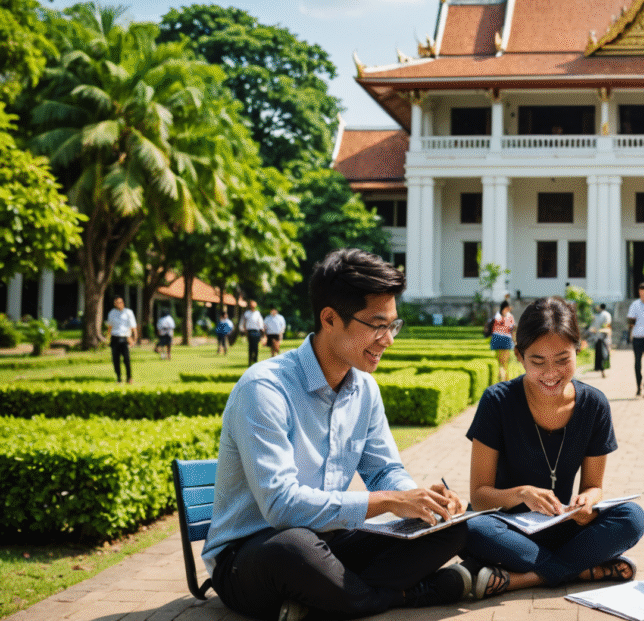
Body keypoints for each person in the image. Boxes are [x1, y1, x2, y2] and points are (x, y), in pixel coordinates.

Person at [201, 248, 472, 621]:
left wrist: (418, 502)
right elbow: (282, 507)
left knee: (453, 528)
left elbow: (384, 471)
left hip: (327, 542)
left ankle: (324, 601)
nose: (388, 340)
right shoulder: (265, 388)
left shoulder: (364, 390)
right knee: (294, 548)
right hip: (254, 554)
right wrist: (389, 501)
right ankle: (413, 593)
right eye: (377, 325)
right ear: (329, 318)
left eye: (393, 325)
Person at [462, 296, 644, 600]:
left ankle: (524, 578)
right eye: (537, 362)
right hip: (508, 529)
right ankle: (581, 570)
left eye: (563, 360)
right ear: (520, 356)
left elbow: (593, 487)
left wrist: (586, 502)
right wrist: (521, 494)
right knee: (471, 528)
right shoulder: (497, 401)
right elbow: (480, 496)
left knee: (632, 518)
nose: (551, 373)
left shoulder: (594, 404)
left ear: (579, 349)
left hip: (564, 524)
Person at [105, 297, 137, 383]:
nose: (119, 304)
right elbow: (109, 327)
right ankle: (119, 378)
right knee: (116, 360)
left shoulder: (128, 312)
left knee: (126, 359)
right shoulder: (112, 313)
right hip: (115, 338)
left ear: (123, 303)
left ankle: (129, 377)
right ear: (114, 304)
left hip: (125, 338)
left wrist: (134, 339)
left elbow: (134, 327)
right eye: (117, 303)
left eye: (120, 302)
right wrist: (107, 339)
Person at [490, 301, 517, 381]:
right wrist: (515, 341)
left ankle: (502, 379)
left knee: (500, 363)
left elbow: (492, 328)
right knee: (504, 363)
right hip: (505, 340)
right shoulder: (509, 317)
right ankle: (505, 380)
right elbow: (513, 329)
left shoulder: (496, 316)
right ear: (506, 308)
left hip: (496, 339)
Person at [588, 303, 612, 377]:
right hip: (604, 337)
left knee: (599, 354)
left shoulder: (596, 315)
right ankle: (603, 371)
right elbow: (608, 325)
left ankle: (601, 370)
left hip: (597, 337)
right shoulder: (607, 315)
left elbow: (593, 327)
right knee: (604, 354)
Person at [240, 300, 265, 366]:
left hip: (257, 331)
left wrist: (262, 331)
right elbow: (244, 322)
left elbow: (260, 323)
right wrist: (244, 330)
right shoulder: (247, 313)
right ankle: (250, 361)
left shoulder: (257, 313)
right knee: (251, 347)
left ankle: (255, 359)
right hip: (250, 332)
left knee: (256, 346)